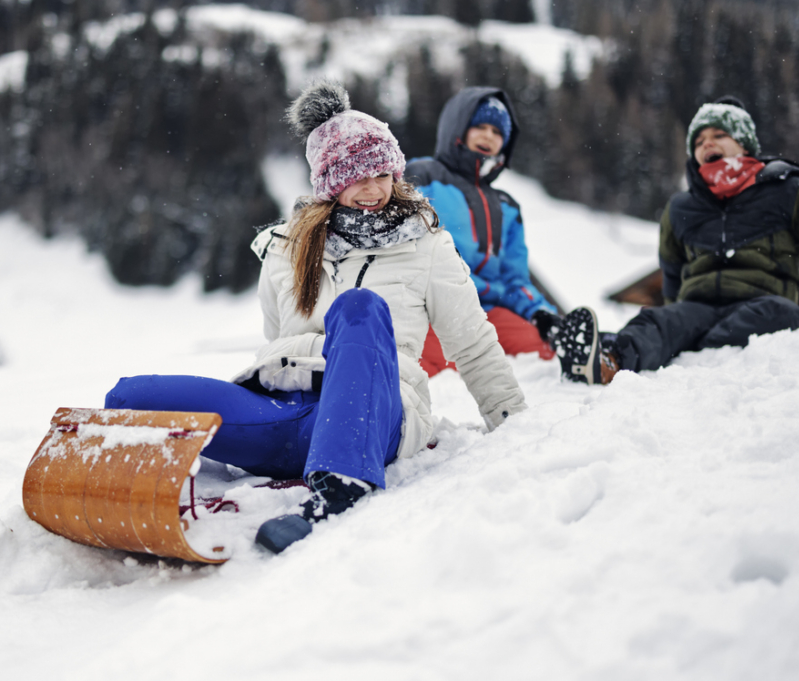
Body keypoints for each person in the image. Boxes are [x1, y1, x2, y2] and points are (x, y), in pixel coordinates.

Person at [104, 80, 526, 553]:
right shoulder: (286, 248)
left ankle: (342, 484)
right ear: (329, 183)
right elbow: (275, 338)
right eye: (357, 177)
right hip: (286, 416)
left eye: (383, 175)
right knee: (131, 396)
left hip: (376, 414)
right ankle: (109, 480)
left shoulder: (426, 244)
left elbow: (472, 344)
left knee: (360, 309)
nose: (373, 190)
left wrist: (516, 425)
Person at [550, 95, 799, 385]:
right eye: (698, 141)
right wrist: (673, 321)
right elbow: (671, 275)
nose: (706, 144)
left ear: (745, 144)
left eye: (719, 135)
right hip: (698, 307)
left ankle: (699, 349)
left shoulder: (788, 189)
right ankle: (607, 362)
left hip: (760, 303)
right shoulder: (681, 207)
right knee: (656, 320)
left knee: (781, 313)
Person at [405, 87, 559, 377]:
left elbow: (515, 278)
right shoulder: (423, 177)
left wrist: (542, 314)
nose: (489, 136)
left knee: (548, 354)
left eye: (497, 132)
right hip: (438, 306)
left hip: (490, 310)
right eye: (480, 126)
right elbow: (410, 250)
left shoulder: (506, 207)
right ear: (457, 127)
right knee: (426, 367)